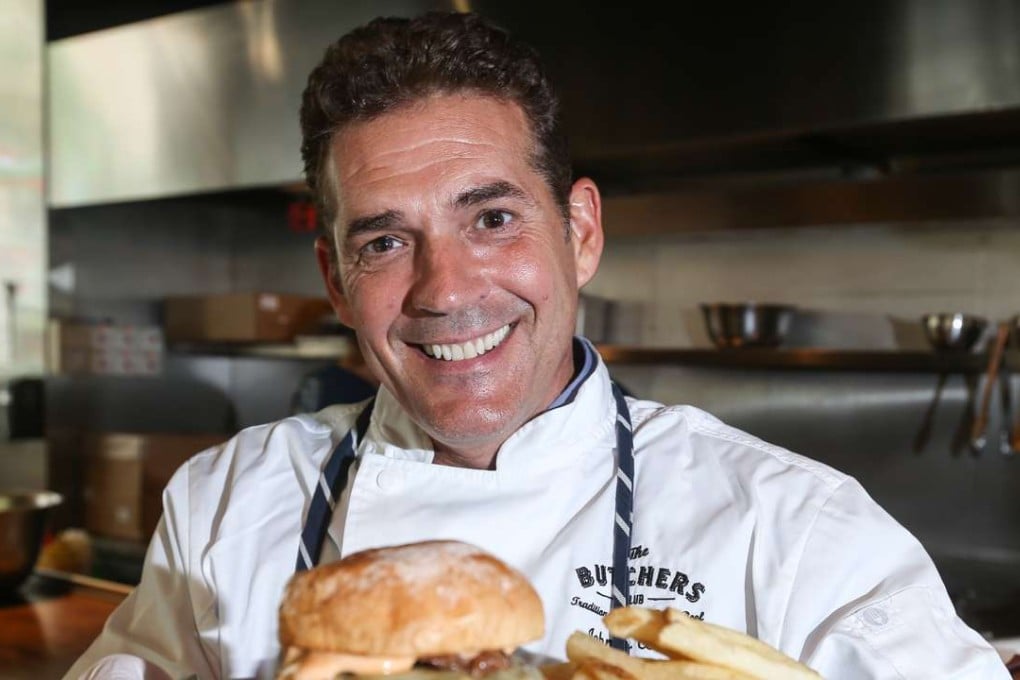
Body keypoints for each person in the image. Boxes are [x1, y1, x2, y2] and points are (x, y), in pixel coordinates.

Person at [67, 11, 1007, 680]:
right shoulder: (223, 502)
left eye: (492, 218)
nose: (446, 290)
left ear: (582, 233)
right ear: (334, 280)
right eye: (386, 241)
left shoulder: (795, 530)